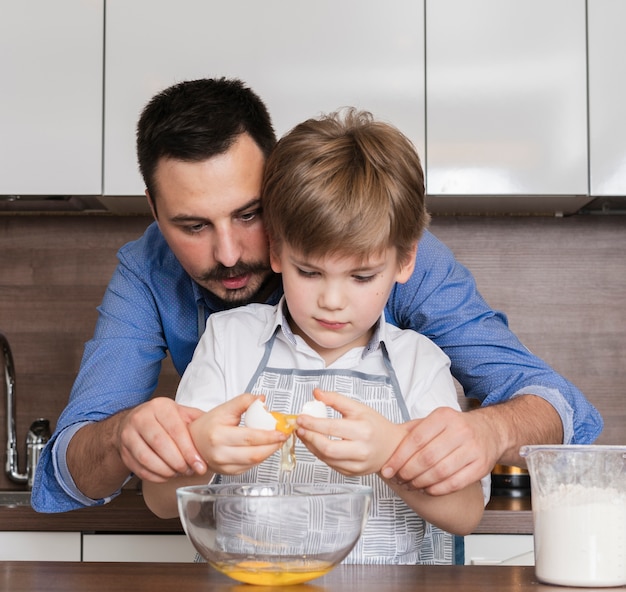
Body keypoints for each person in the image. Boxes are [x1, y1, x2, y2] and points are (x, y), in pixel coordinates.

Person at [30, 77, 602, 514]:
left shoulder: (395, 255)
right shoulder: (149, 273)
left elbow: (556, 403)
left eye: (249, 214)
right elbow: (70, 467)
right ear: (155, 213)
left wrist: (490, 432)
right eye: (193, 226)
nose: (228, 254)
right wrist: (127, 439)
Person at [142, 108, 488, 564]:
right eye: (310, 271)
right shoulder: (229, 342)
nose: (332, 300)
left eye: (362, 277)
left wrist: (391, 451)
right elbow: (159, 500)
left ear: (404, 262)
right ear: (277, 251)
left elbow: (465, 514)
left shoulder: (419, 363)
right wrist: (202, 452)